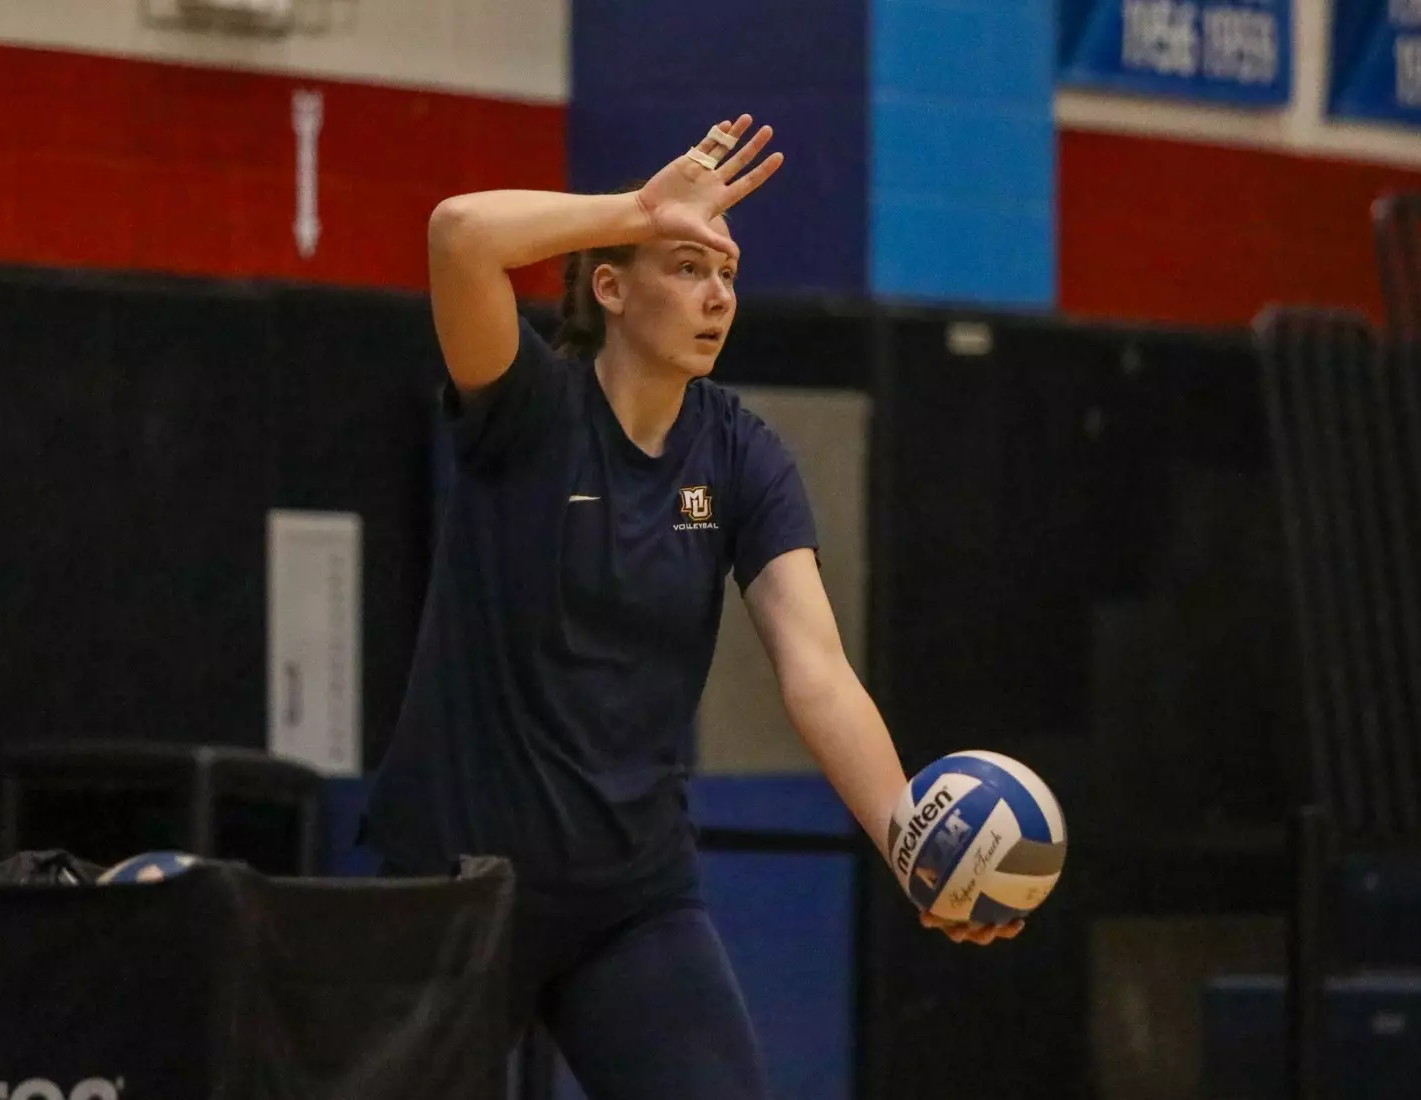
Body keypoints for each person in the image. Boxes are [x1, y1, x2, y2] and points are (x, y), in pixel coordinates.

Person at [359, 114, 1023, 1099]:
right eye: (684, 265)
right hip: (460, 884)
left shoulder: (742, 452)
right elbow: (458, 233)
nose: (717, 295)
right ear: (612, 287)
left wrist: (906, 836)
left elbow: (818, 671)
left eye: (727, 273)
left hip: (629, 898)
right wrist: (637, 206)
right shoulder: (529, 408)